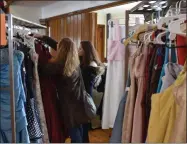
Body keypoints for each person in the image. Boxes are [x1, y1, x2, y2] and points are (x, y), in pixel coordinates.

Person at [34, 36, 90, 143]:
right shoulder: (74, 62)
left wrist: (38, 52)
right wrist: (42, 38)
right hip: (79, 103)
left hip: (70, 108)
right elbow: (62, 46)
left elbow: (43, 68)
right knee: (79, 131)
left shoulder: (59, 65)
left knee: (75, 134)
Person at [78, 41, 105, 142]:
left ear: (86, 51)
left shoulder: (90, 66)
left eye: (80, 48)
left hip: (85, 97)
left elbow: (85, 84)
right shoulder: (84, 63)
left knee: (84, 124)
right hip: (84, 96)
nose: (78, 50)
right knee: (82, 124)